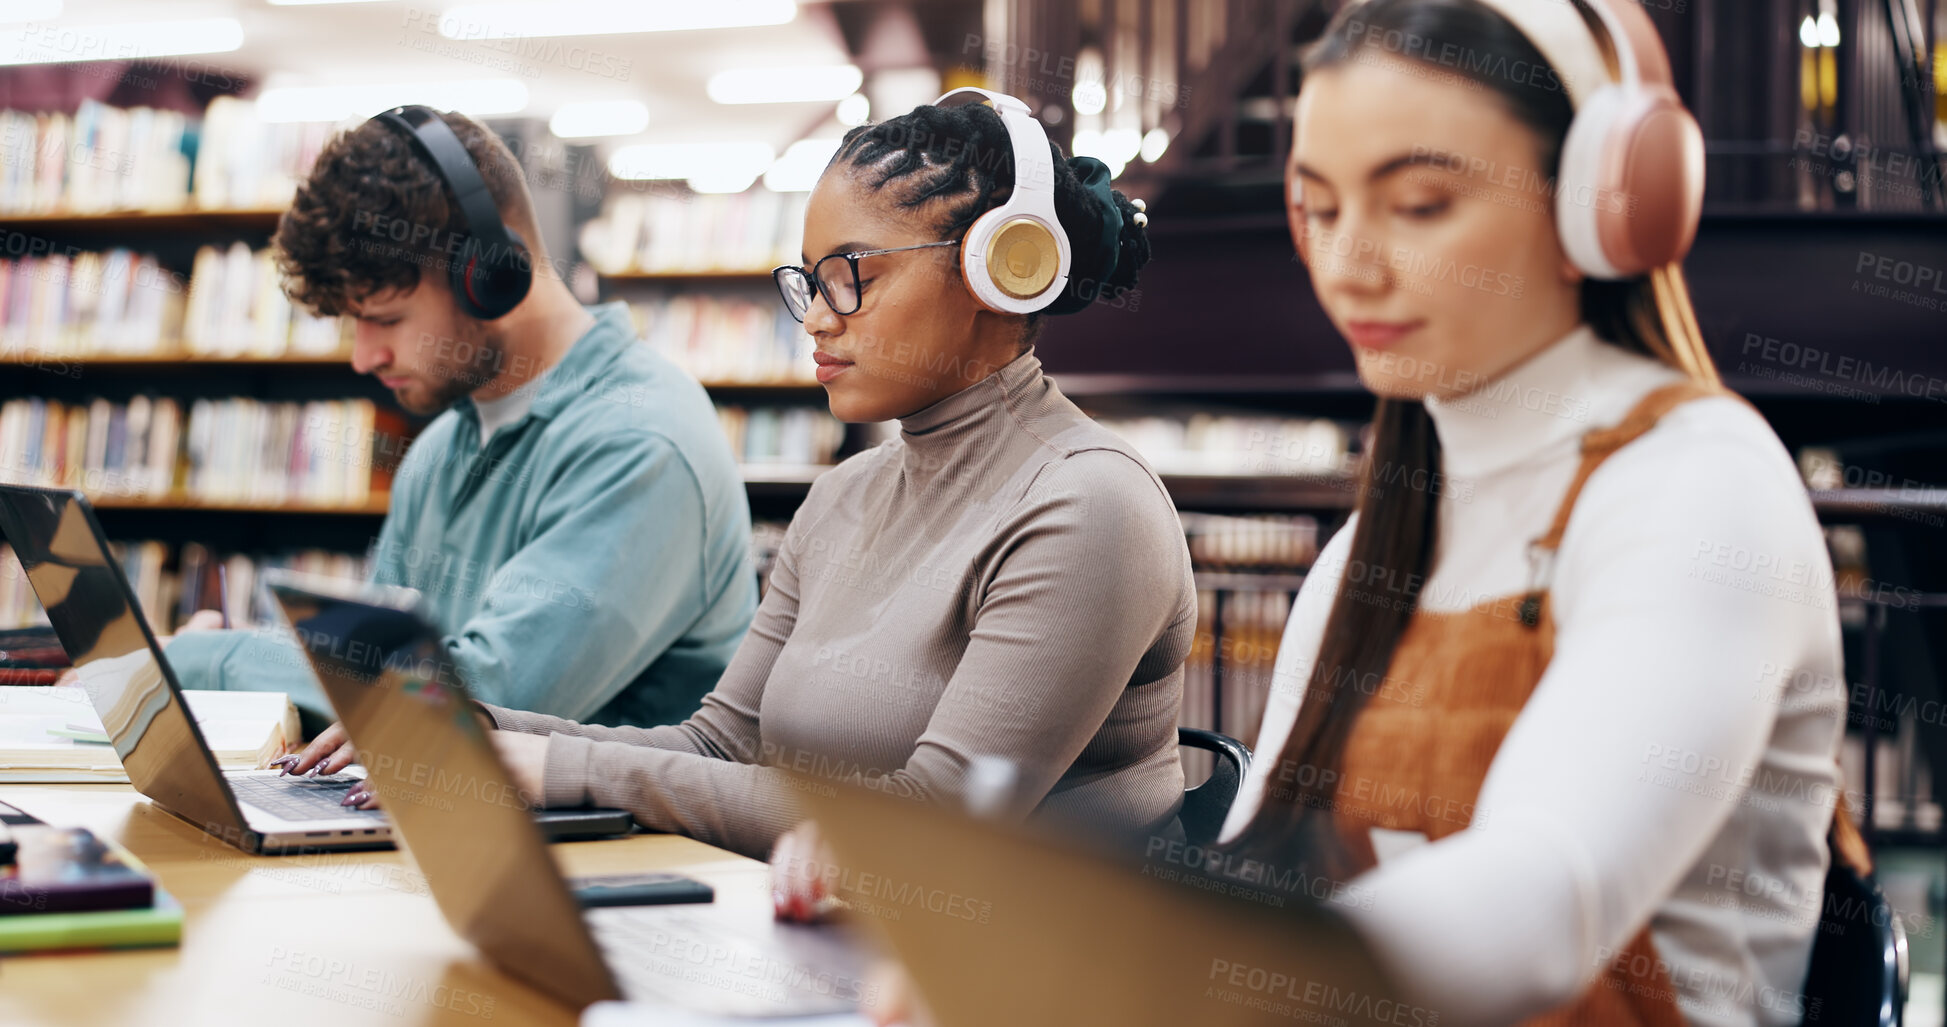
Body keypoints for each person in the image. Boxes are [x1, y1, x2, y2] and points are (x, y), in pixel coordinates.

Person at [291, 92, 1196, 866]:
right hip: (829, 940)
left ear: (1001, 269)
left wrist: (560, 768)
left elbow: (938, 822)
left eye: (851, 276)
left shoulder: (1088, 505)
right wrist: (478, 727)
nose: (818, 319)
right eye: (809, 281)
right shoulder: (845, 495)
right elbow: (720, 741)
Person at [1210, 2, 1855, 1025]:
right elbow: (1252, 866)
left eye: (1419, 203)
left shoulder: (1701, 485)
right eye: (1319, 210)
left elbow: (1545, 899)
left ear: (1600, 205)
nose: (1349, 264)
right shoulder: (1371, 550)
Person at [164, 107, 756, 730]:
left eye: (387, 319)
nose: (364, 358)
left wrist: (208, 661)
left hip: (613, 828)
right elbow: (368, 676)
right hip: (439, 813)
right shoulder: (442, 444)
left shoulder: (642, 442)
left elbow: (475, 705)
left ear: (490, 274)